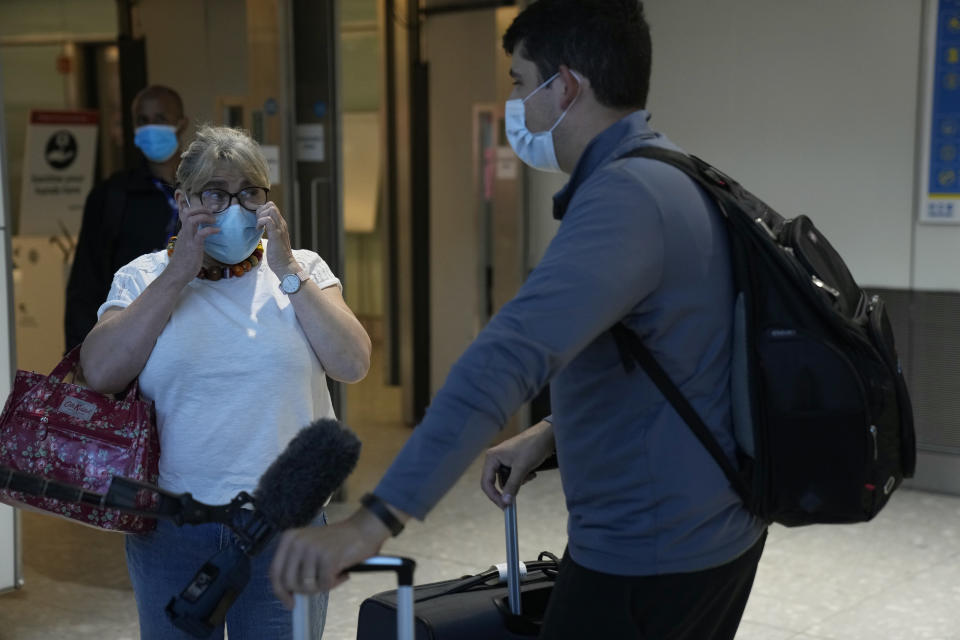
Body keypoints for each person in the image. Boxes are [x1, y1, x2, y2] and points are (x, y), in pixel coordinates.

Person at [270, 1, 767, 638]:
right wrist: (551, 433)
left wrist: (372, 524)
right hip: (710, 532)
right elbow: (681, 356)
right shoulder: (675, 175)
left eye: (519, 82)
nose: (518, 104)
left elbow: (503, 361)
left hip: (649, 552)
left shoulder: (626, 199)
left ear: (565, 87)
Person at [80, 124, 371, 639]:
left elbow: (352, 363)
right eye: (214, 193)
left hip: (285, 526)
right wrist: (179, 273)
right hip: (173, 527)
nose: (233, 208)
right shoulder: (144, 276)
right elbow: (101, 371)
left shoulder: (302, 270)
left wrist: (286, 268)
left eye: (249, 193)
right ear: (184, 200)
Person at [65, 84, 189, 351]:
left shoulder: (203, 191)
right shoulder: (111, 196)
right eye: (142, 121)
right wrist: (79, 354)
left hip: (189, 331)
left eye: (160, 119)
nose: (150, 128)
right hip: (127, 336)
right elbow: (86, 284)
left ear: (181, 124)